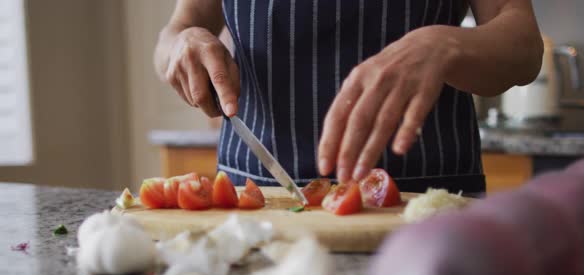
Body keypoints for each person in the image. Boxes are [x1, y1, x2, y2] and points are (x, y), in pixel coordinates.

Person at [154, 0, 542, 193]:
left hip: (423, 205)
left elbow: (523, 47)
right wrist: (179, 45)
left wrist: (447, 45)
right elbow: (180, 27)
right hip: (253, 202)